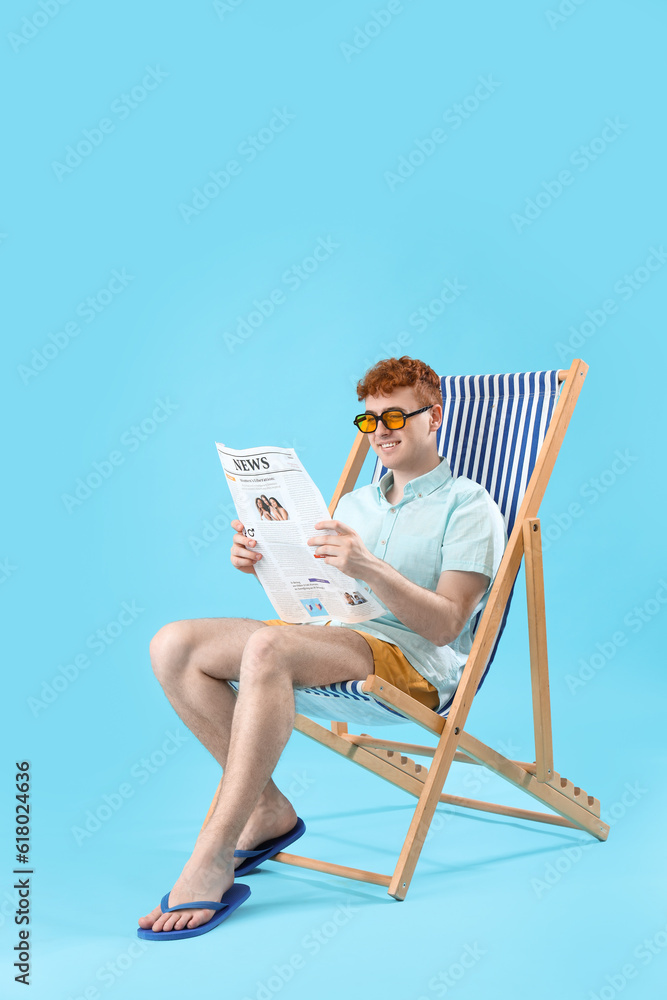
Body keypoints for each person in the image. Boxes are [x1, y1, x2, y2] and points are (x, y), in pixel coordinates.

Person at [138, 355, 506, 938]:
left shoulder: (470, 506)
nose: (380, 431)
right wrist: (261, 560)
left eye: (395, 417)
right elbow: (320, 596)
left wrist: (369, 566)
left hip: (410, 660)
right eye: (369, 421)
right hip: (332, 636)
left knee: (266, 651)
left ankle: (213, 850)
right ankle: (267, 810)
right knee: (174, 644)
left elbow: (446, 625)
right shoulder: (355, 504)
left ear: (433, 416)